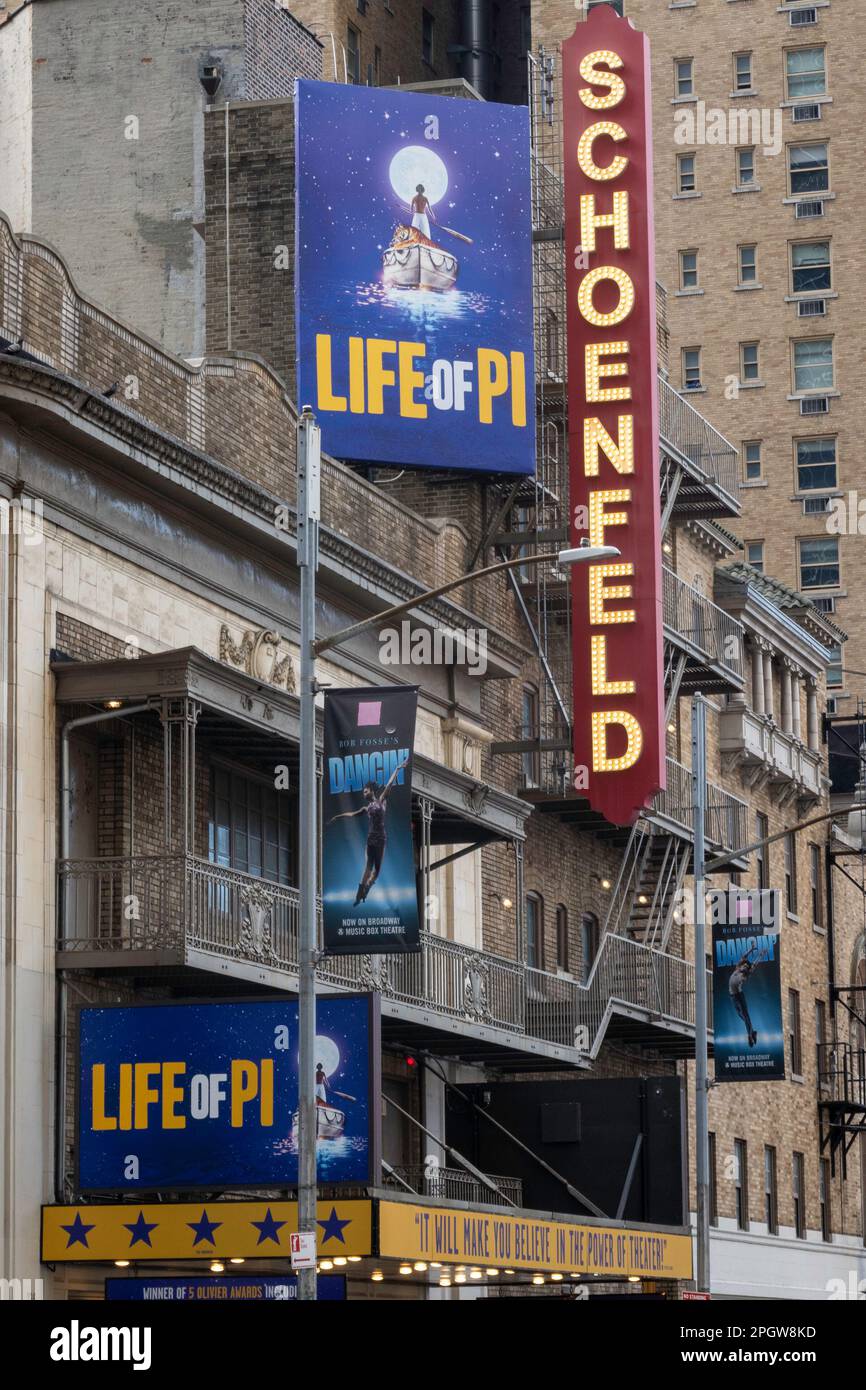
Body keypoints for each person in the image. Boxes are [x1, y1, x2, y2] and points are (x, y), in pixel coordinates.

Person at [327, 756, 410, 906]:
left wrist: (397, 769)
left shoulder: (381, 800)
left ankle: (365, 891)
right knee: (368, 867)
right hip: (372, 839)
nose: (364, 794)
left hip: (381, 840)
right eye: (363, 792)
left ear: (371, 791)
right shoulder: (366, 808)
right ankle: (360, 894)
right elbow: (351, 814)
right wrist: (338, 817)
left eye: (365, 791)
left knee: (376, 873)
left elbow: (389, 784)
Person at [728, 945, 766, 1048]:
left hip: (739, 995)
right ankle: (753, 1032)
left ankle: (750, 1035)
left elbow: (755, 964)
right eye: (744, 966)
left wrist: (761, 955)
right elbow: (744, 957)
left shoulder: (746, 974)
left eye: (746, 967)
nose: (744, 967)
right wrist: (752, 949)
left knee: (745, 1015)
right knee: (741, 1015)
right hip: (732, 996)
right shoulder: (737, 968)